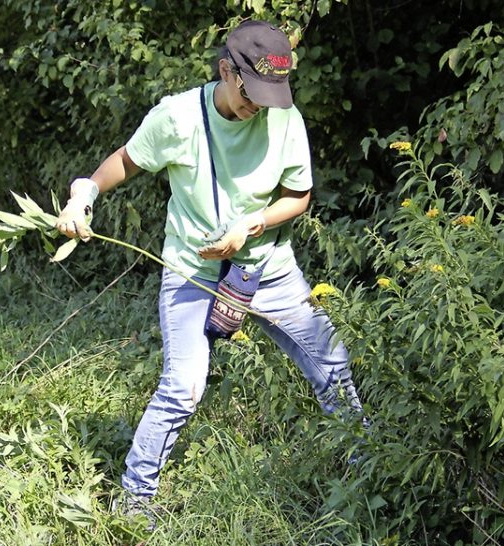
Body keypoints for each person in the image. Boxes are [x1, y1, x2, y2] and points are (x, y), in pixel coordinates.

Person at [55, 19, 364, 530]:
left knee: (332, 365)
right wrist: (84, 194)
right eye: (252, 93)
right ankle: (134, 504)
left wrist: (254, 223)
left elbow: (299, 196)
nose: (259, 105)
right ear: (226, 69)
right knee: (183, 386)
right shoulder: (177, 117)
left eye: (271, 95)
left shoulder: (285, 119)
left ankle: (368, 471)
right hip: (192, 271)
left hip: (266, 266)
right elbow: (126, 162)